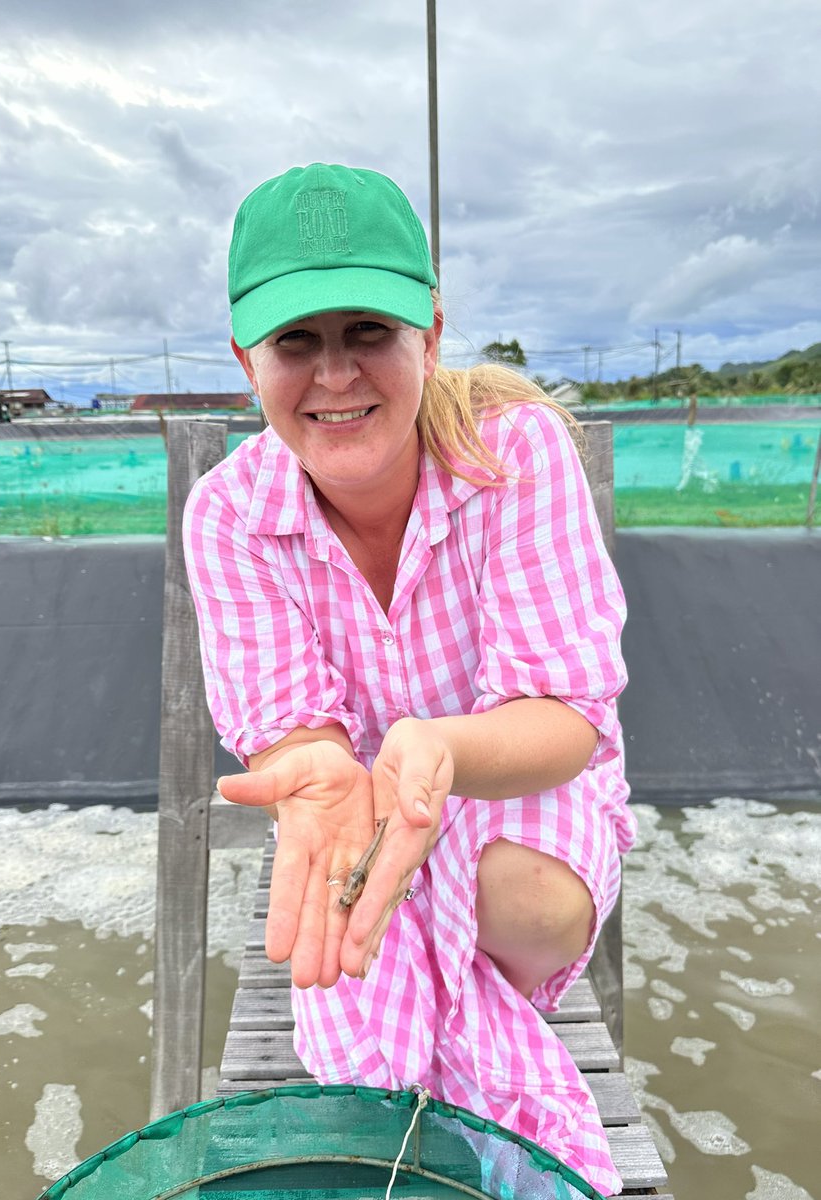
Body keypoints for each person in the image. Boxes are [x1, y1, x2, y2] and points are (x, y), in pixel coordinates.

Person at [183, 163, 636, 1196]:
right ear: (245, 356)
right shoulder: (226, 515)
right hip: (361, 802)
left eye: (369, 334)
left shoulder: (513, 454)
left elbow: (565, 714)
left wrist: (436, 750)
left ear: (430, 331)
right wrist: (323, 774)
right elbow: (294, 732)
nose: (335, 376)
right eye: (297, 341)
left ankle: (432, 1080)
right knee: (358, 924)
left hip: (509, 771)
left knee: (521, 902)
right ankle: (487, 1090)